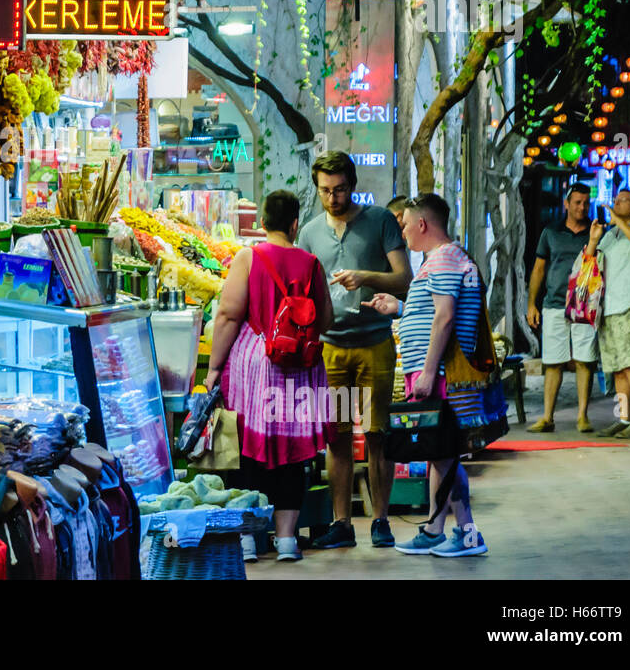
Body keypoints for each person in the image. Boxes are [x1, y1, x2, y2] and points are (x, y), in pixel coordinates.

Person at [205, 190, 334, 563]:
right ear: (296, 224)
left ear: (262, 223)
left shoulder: (249, 256)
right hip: (300, 368)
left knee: (248, 451)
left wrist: (214, 369)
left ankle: (247, 541)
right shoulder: (311, 263)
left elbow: (228, 315)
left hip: (254, 367)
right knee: (292, 454)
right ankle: (288, 541)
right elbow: (325, 320)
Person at [298, 151, 412, 549]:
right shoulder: (310, 233)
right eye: (326, 190)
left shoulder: (380, 221)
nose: (333, 197)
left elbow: (405, 280)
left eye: (341, 189)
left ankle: (381, 520)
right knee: (339, 437)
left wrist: (365, 276)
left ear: (353, 185)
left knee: (378, 433)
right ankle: (342, 522)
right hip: (332, 349)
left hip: (375, 345)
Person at [367, 194, 488, 557]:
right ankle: (438, 530)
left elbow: (445, 317)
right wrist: (400, 308)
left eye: (404, 224)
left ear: (421, 224)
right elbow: (433, 310)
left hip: (438, 374)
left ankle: (465, 534)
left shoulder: (445, 258)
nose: (402, 232)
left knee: (444, 452)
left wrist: (428, 371)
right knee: (441, 453)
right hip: (431, 371)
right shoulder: (439, 260)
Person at [526, 183, 597, 432]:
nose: (582, 207)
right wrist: (531, 303)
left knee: (584, 360)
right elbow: (538, 269)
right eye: (577, 202)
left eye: (586, 203)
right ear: (566, 204)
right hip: (554, 303)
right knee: (553, 361)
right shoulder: (551, 231)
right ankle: (547, 417)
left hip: (585, 306)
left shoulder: (596, 231)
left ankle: (582, 416)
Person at [589, 189, 630, 438]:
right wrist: (595, 239)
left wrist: (618, 221)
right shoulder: (610, 236)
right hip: (608, 308)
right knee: (617, 368)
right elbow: (589, 262)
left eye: (622, 201)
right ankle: (624, 418)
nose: (616, 204)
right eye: (615, 201)